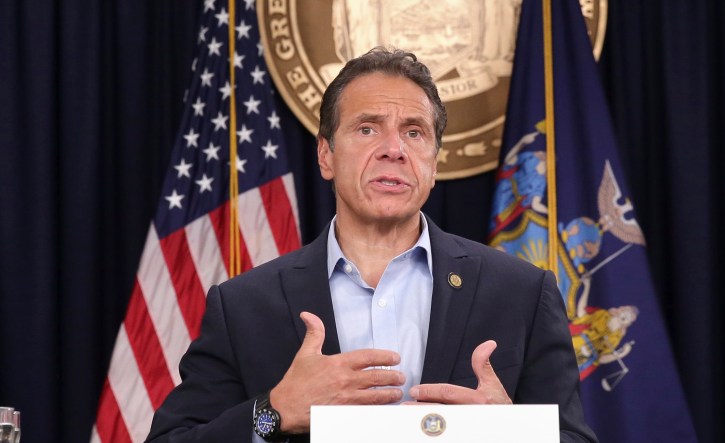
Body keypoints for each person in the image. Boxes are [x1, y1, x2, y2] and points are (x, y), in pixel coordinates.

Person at [145, 47, 598, 443]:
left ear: (433, 163)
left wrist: (510, 435)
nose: (394, 149)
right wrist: (275, 411)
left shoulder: (522, 292)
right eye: (367, 128)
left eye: (415, 132)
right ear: (326, 155)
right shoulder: (243, 305)